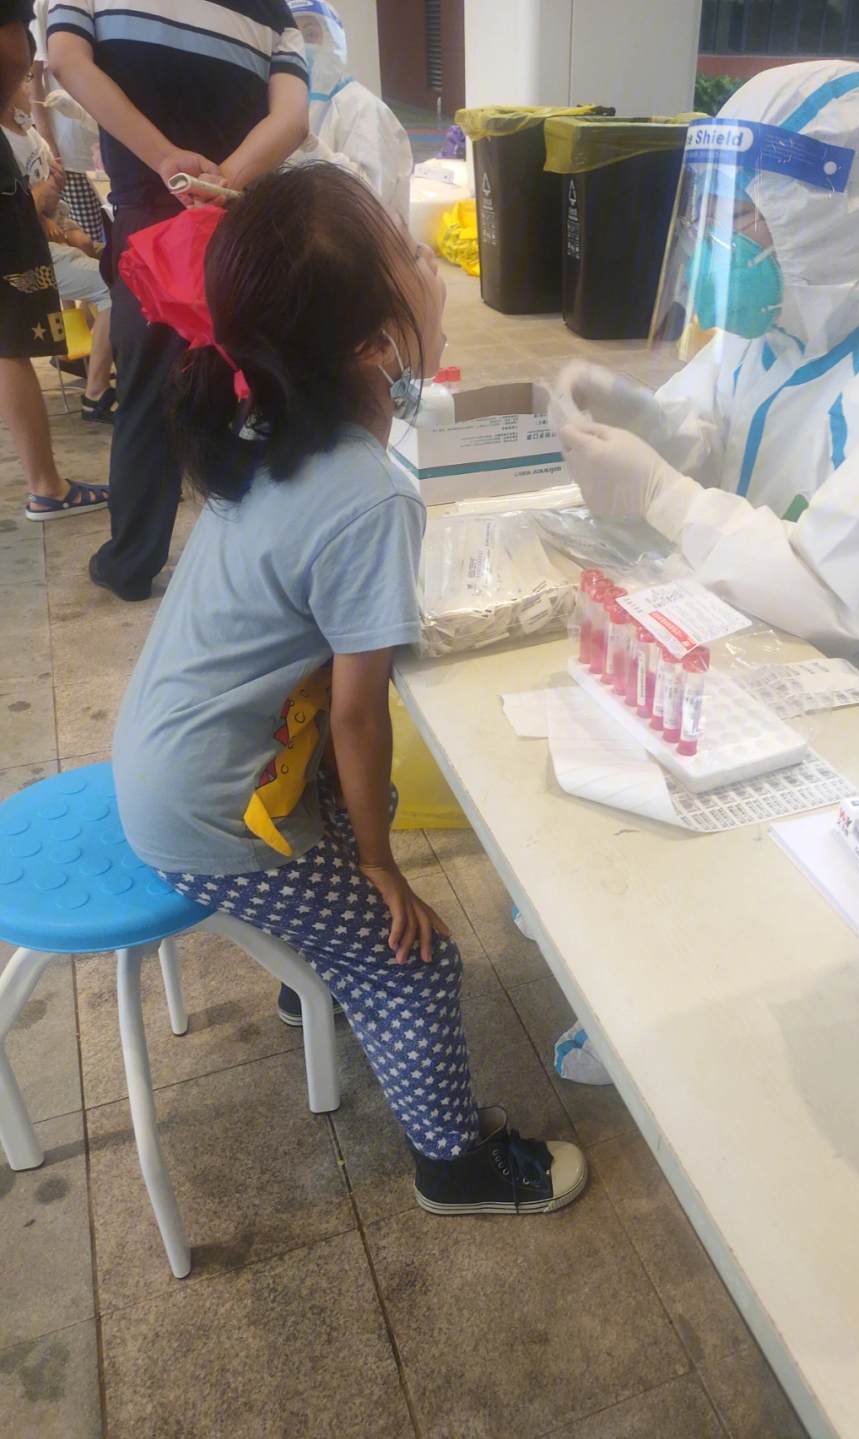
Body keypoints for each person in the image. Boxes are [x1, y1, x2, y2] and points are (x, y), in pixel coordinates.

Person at [111, 164, 587, 1216]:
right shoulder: (373, 491)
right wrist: (378, 863)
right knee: (418, 959)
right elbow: (359, 710)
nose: (434, 262)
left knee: (351, 896)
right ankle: (453, 1164)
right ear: (377, 341)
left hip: (174, 754)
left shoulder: (268, 420)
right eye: (415, 254)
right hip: (205, 807)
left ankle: (306, 969)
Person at [556, 60, 859, 735]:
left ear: (821, 216)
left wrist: (664, 495)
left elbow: (832, 594)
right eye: (711, 208)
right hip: (755, 604)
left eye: (743, 212)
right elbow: (712, 435)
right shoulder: (788, 307)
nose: (716, 240)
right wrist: (637, 418)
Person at [47, 0, 310, 600]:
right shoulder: (273, 11)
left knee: (148, 401)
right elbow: (292, 118)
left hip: (152, 223)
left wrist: (168, 162)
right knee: (255, 389)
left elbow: (65, 59)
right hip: (241, 219)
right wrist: (226, 180)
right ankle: (260, 563)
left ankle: (131, 561)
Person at [0, 5, 107, 518]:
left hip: (47, 238)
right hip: (34, 242)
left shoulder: (23, 125)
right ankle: (48, 484)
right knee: (8, 347)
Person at [1, 72, 114, 421]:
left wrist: (61, 214)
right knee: (117, 283)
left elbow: (52, 205)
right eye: (24, 80)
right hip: (25, 258)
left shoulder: (31, 135)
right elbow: (21, 214)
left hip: (51, 243)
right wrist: (38, 203)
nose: (30, 88)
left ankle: (93, 356)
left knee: (117, 263)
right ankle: (95, 393)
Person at [288, 0, 412, 222]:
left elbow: (372, 200)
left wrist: (316, 150)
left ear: (333, 41)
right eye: (293, 39)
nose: (301, 48)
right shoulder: (290, 107)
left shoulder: (363, 107)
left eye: (310, 35)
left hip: (363, 248)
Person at [30, 0, 104, 242]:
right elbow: (34, 74)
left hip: (117, 144)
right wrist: (46, 137)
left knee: (124, 231)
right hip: (72, 151)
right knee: (88, 239)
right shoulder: (47, 4)